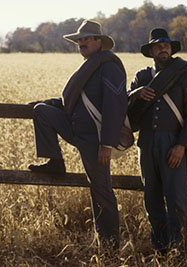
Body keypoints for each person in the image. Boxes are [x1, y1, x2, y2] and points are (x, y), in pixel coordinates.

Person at [28, 20, 127, 249]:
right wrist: (47, 102)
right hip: (77, 130)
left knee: (101, 190)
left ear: (98, 41)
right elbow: (71, 101)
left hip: (95, 138)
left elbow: (115, 106)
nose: (81, 43)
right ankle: (55, 162)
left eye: (86, 39)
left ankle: (110, 245)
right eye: (79, 40)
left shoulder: (108, 66)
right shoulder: (91, 64)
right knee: (41, 111)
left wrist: (107, 144)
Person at [127, 28, 187, 256]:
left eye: (166, 45)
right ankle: (161, 250)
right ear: (151, 51)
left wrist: (182, 145)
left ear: (171, 49)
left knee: (177, 199)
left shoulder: (185, 76)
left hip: (173, 143)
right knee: (152, 200)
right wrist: (135, 95)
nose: (163, 48)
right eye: (158, 46)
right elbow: (123, 108)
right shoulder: (142, 77)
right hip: (146, 143)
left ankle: (181, 252)